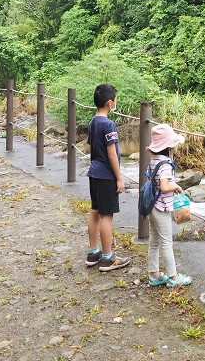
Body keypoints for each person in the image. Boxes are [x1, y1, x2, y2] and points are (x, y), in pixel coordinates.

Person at [85, 84, 130, 272]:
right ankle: (108, 257)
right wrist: (119, 177)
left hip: (94, 172)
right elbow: (112, 154)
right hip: (106, 175)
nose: (116, 103)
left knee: (95, 211)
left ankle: (93, 252)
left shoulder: (93, 122)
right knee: (106, 215)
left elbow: (92, 148)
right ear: (110, 103)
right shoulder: (109, 124)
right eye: (115, 100)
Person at [146, 123, 192, 287]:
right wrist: (177, 186)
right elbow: (165, 187)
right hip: (161, 207)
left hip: (151, 206)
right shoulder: (165, 164)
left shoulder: (154, 161)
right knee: (166, 242)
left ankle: (154, 274)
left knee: (154, 241)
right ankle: (173, 277)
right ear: (169, 147)